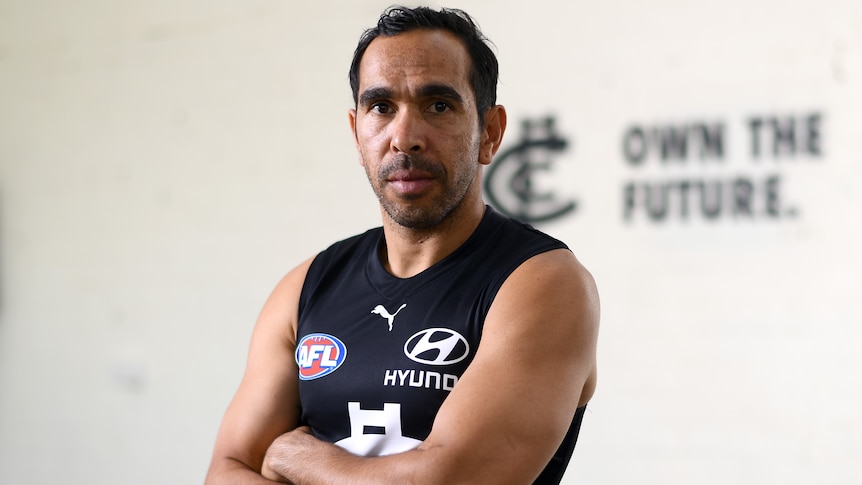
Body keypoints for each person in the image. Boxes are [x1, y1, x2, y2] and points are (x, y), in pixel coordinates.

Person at [204, 6, 599, 485]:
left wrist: (299, 459)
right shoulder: (305, 288)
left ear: (489, 134)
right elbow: (227, 471)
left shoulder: (541, 282)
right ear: (356, 133)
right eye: (381, 107)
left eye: (438, 105)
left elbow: (452, 480)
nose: (405, 138)